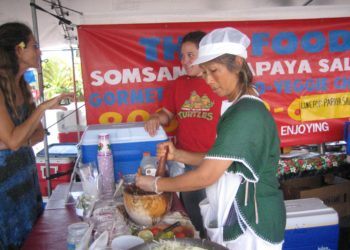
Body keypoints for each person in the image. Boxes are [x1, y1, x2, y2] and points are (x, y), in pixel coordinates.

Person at [137, 27, 286, 249]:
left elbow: (206, 175)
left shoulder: (246, 113)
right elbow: (222, 159)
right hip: (237, 213)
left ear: (236, 63)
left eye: (213, 70)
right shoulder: (234, 105)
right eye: (205, 72)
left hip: (251, 222)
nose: (208, 80)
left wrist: (156, 184)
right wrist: (179, 155)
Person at [0, 22, 75, 249]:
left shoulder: (22, 86)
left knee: (33, 238)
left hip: (26, 177)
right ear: (18, 49)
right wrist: (42, 109)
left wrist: (11, 141)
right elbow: (14, 140)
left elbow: (38, 135)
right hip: (4, 187)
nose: (39, 51)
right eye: (35, 45)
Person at [144, 31, 225, 237]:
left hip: (218, 165)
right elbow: (167, 115)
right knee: (194, 221)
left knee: (219, 223)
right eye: (182, 56)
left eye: (191, 55)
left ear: (205, 54)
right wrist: (156, 117)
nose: (185, 61)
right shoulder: (178, 85)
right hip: (188, 163)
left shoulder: (222, 85)